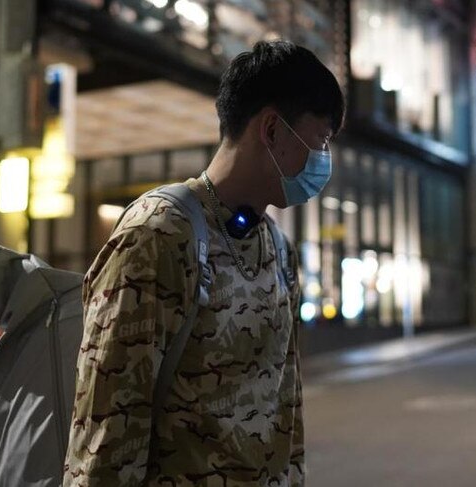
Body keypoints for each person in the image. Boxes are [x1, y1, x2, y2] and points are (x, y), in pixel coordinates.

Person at [63, 40, 345, 486]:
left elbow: (286, 412)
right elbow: (107, 430)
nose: (323, 162)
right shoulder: (158, 235)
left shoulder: (278, 248)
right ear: (271, 130)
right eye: (320, 141)